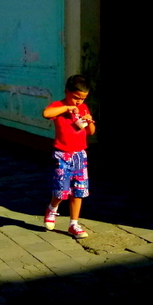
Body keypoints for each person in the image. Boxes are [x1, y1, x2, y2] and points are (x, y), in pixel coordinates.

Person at [42, 75, 96, 239]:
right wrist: (66, 108)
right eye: (76, 97)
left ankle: (74, 224)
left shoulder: (84, 108)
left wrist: (89, 121)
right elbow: (46, 113)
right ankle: (52, 208)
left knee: (79, 191)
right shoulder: (59, 106)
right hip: (62, 154)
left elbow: (91, 132)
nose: (79, 102)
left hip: (80, 155)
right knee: (61, 190)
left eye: (82, 98)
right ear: (67, 92)